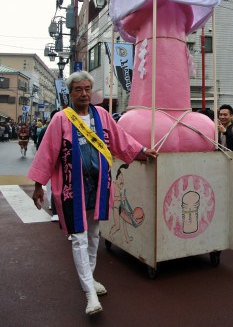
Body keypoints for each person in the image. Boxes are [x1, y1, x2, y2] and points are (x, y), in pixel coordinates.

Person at [27, 71, 158, 316]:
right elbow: (47, 152)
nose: (84, 93)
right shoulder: (61, 119)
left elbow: (122, 140)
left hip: (99, 185)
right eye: (78, 89)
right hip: (72, 188)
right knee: (79, 237)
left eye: (87, 88)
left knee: (95, 235)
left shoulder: (103, 115)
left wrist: (142, 151)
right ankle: (89, 292)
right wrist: (37, 185)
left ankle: (90, 279)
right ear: (70, 92)